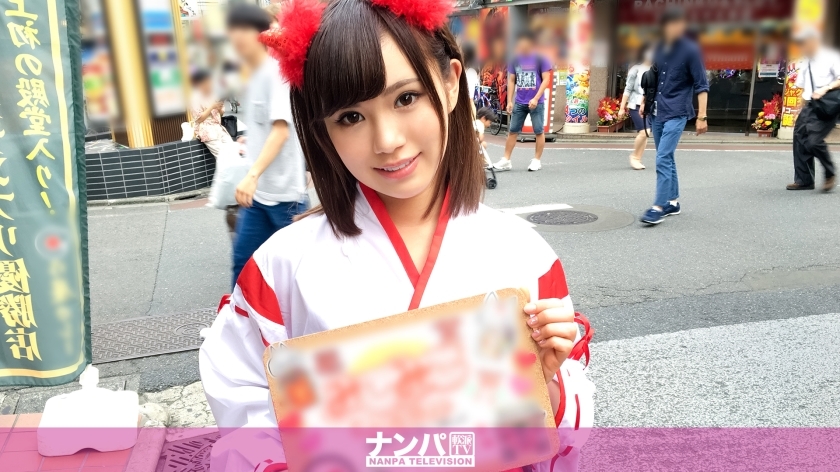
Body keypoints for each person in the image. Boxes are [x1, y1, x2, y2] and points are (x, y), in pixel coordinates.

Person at [200, 1, 594, 471]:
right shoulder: (280, 267)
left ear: (450, 83)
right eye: (350, 117)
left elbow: (562, 424)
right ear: (322, 130)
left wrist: (545, 384)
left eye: (406, 98)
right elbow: (241, 393)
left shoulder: (524, 255)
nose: (386, 140)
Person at [226, 4, 308, 285]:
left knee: (299, 273)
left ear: (261, 34)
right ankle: (238, 314)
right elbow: (266, 125)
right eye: (233, 29)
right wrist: (251, 139)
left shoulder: (275, 74)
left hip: (286, 198)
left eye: (244, 29)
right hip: (259, 197)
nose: (236, 36)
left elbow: (280, 132)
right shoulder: (251, 76)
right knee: (243, 264)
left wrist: (251, 175)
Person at [640, 7, 708, 226]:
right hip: (657, 111)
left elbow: (702, 85)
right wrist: (645, 101)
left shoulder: (691, 50)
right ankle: (673, 202)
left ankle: (658, 207)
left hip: (677, 111)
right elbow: (654, 78)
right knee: (666, 156)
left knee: (662, 157)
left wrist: (702, 117)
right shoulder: (660, 48)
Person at [787, 27, 840, 192]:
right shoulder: (806, 62)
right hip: (809, 105)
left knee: (814, 141)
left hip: (827, 105)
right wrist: (798, 111)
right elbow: (804, 89)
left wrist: (826, 88)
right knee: (799, 139)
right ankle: (804, 180)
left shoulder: (831, 57)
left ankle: (830, 172)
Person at [493, 31, 552, 172]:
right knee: (512, 131)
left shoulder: (541, 58)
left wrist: (536, 98)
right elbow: (511, 80)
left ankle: (536, 161)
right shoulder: (515, 59)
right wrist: (509, 101)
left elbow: (546, 80)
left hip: (536, 102)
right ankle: (506, 160)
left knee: (538, 131)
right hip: (520, 101)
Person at [618, 43, 654, 170]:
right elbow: (628, 89)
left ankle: (638, 158)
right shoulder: (636, 69)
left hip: (649, 105)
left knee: (646, 134)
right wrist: (622, 108)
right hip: (635, 104)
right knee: (645, 131)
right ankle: (634, 156)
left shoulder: (656, 69)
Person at [190, 69, 232, 159]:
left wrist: (220, 109)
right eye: (207, 82)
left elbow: (221, 114)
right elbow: (199, 119)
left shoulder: (213, 94)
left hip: (218, 128)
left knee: (232, 150)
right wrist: (212, 107)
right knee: (223, 156)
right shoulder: (194, 98)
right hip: (206, 130)